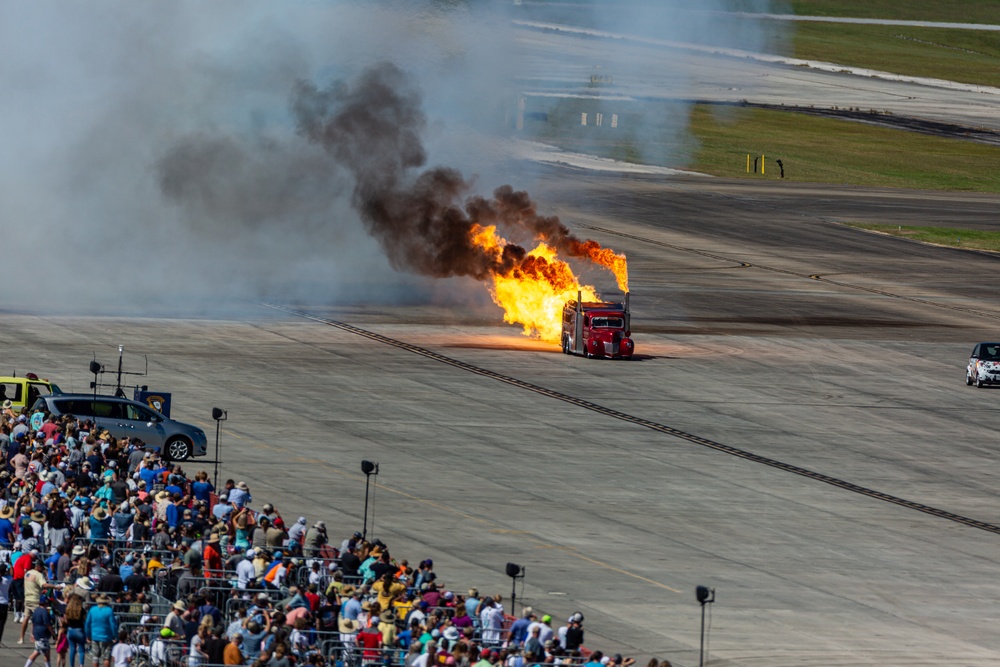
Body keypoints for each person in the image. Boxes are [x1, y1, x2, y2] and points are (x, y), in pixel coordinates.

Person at [85, 594, 119, 667]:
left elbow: (87, 623)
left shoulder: (92, 609)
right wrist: (115, 636)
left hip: (95, 636)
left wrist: (88, 635)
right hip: (107, 636)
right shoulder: (109, 610)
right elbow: (113, 625)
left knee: (95, 656)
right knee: (106, 657)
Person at [24, 593, 55, 667]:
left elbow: (33, 623)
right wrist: (54, 634)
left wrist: (32, 634)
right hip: (42, 635)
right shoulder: (44, 612)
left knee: (41, 652)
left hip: (37, 634)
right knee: (42, 652)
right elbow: (48, 625)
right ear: (46, 602)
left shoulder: (36, 610)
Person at [63, 594, 87, 667]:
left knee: (72, 649)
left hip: (70, 630)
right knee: (81, 649)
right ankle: (81, 665)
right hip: (79, 630)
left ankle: (71, 665)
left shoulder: (68, 609)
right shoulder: (81, 610)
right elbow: (85, 620)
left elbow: (66, 621)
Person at [0, 562, 11, 646]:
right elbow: (12, 574)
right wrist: (10, 565)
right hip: (3, 604)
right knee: (1, 624)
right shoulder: (7, 580)